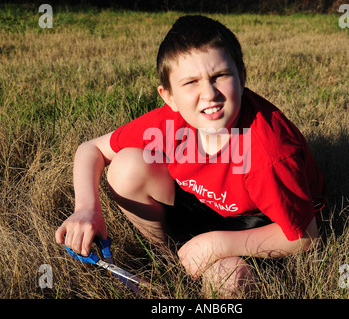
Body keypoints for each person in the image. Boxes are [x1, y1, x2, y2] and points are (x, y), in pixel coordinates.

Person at [55, 15, 326, 298]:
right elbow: (91, 149)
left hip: (260, 222)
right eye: (191, 82)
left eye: (219, 76)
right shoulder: (169, 122)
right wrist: (87, 208)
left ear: (242, 75)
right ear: (169, 96)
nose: (209, 94)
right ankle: (172, 261)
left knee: (230, 280)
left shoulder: (269, 151)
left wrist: (218, 245)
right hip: (203, 203)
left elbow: (305, 237)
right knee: (125, 167)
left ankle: (210, 264)